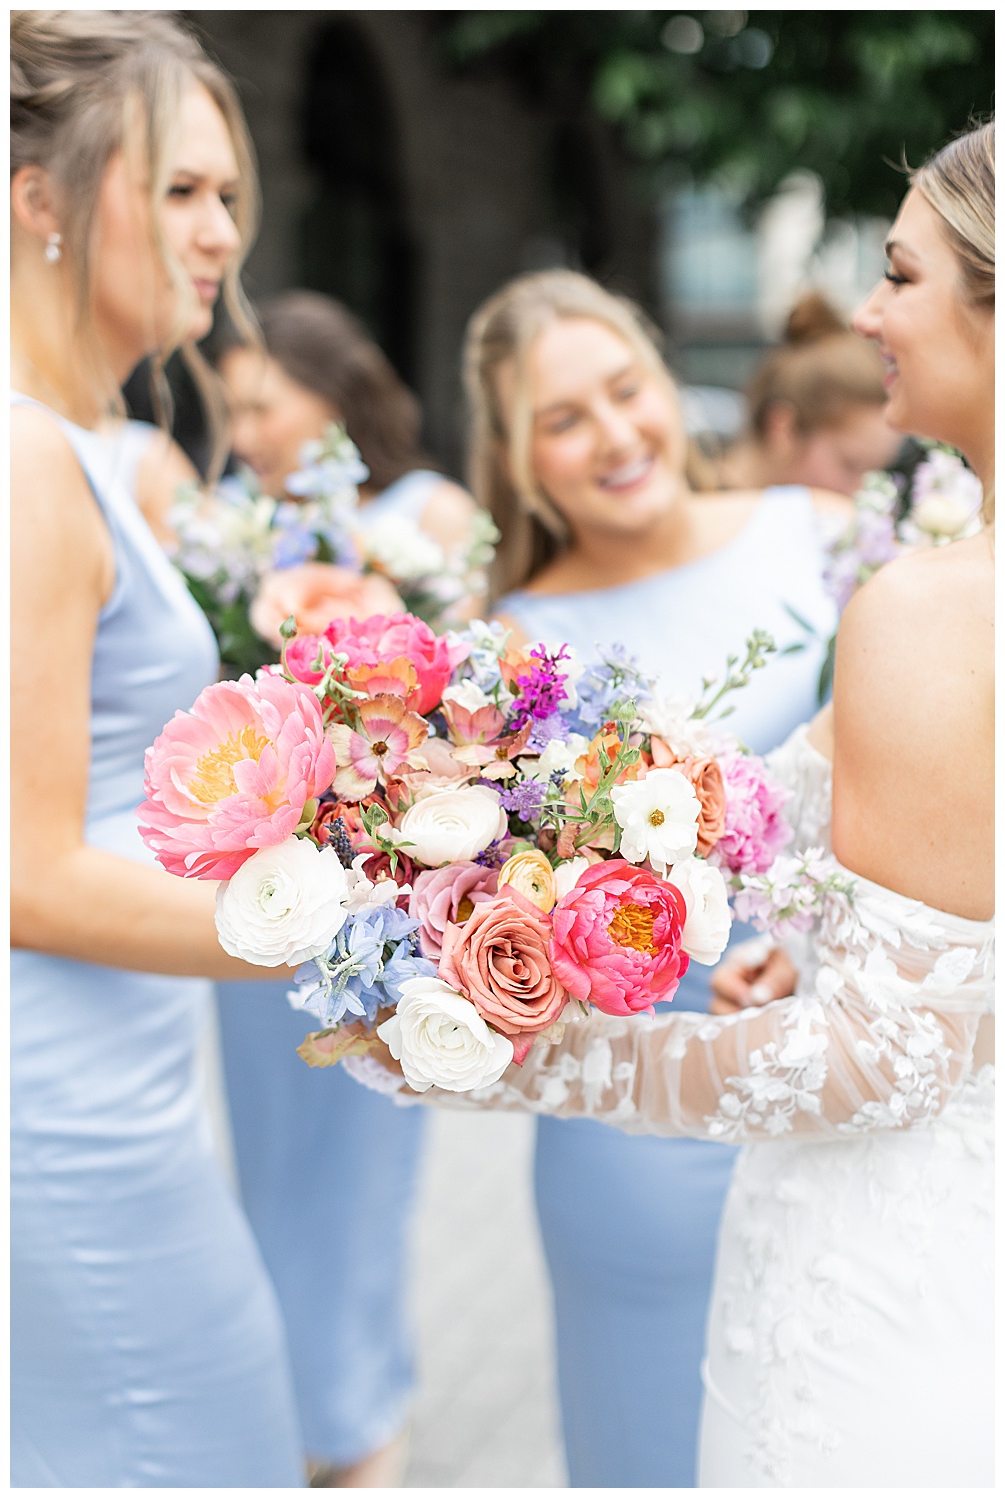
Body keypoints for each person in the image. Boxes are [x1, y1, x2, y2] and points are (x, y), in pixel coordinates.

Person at [402, 121, 994, 1487]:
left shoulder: (910, 595)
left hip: (874, 1239)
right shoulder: (517, 636)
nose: (863, 311)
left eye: (899, 275)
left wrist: (540, 1067)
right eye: (561, 416)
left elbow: (898, 1051)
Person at [464, 268, 847, 1485]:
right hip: (643, 1122)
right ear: (518, 458)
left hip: (851, 1076)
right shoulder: (512, 647)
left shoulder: (818, 534)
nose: (614, 435)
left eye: (625, 391)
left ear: (663, 380)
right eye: (561, 420)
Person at [8, 12, 304, 1485]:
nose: (222, 233)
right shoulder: (44, 466)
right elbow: (38, 879)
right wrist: (361, 936)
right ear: (39, 195)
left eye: (230, 196)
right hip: (72, 1110)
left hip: (128, 1069)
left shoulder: (92, 447)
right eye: (181, 189)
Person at [206, 287, 485, 1485]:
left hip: (383, 909)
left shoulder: (425, 515)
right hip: (261, 908)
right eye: (230, 409)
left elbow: (483, 702)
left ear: (330, 392)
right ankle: (292, 1403)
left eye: (261, 402)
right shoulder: (222, 528)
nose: (245, 430)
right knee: (267, 1168)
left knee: (362, 1172)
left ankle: (360, 1422)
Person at [219, 288, 479, 552]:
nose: (240, 439)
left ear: (335, 399)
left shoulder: (434, 514)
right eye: (230, 413)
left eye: (261, 410)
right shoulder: (224, 515)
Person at [715, 292, 904, 496]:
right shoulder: (695, 516)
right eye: (850, 465)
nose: (860, 491)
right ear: (782, 429)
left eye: (874, 474)